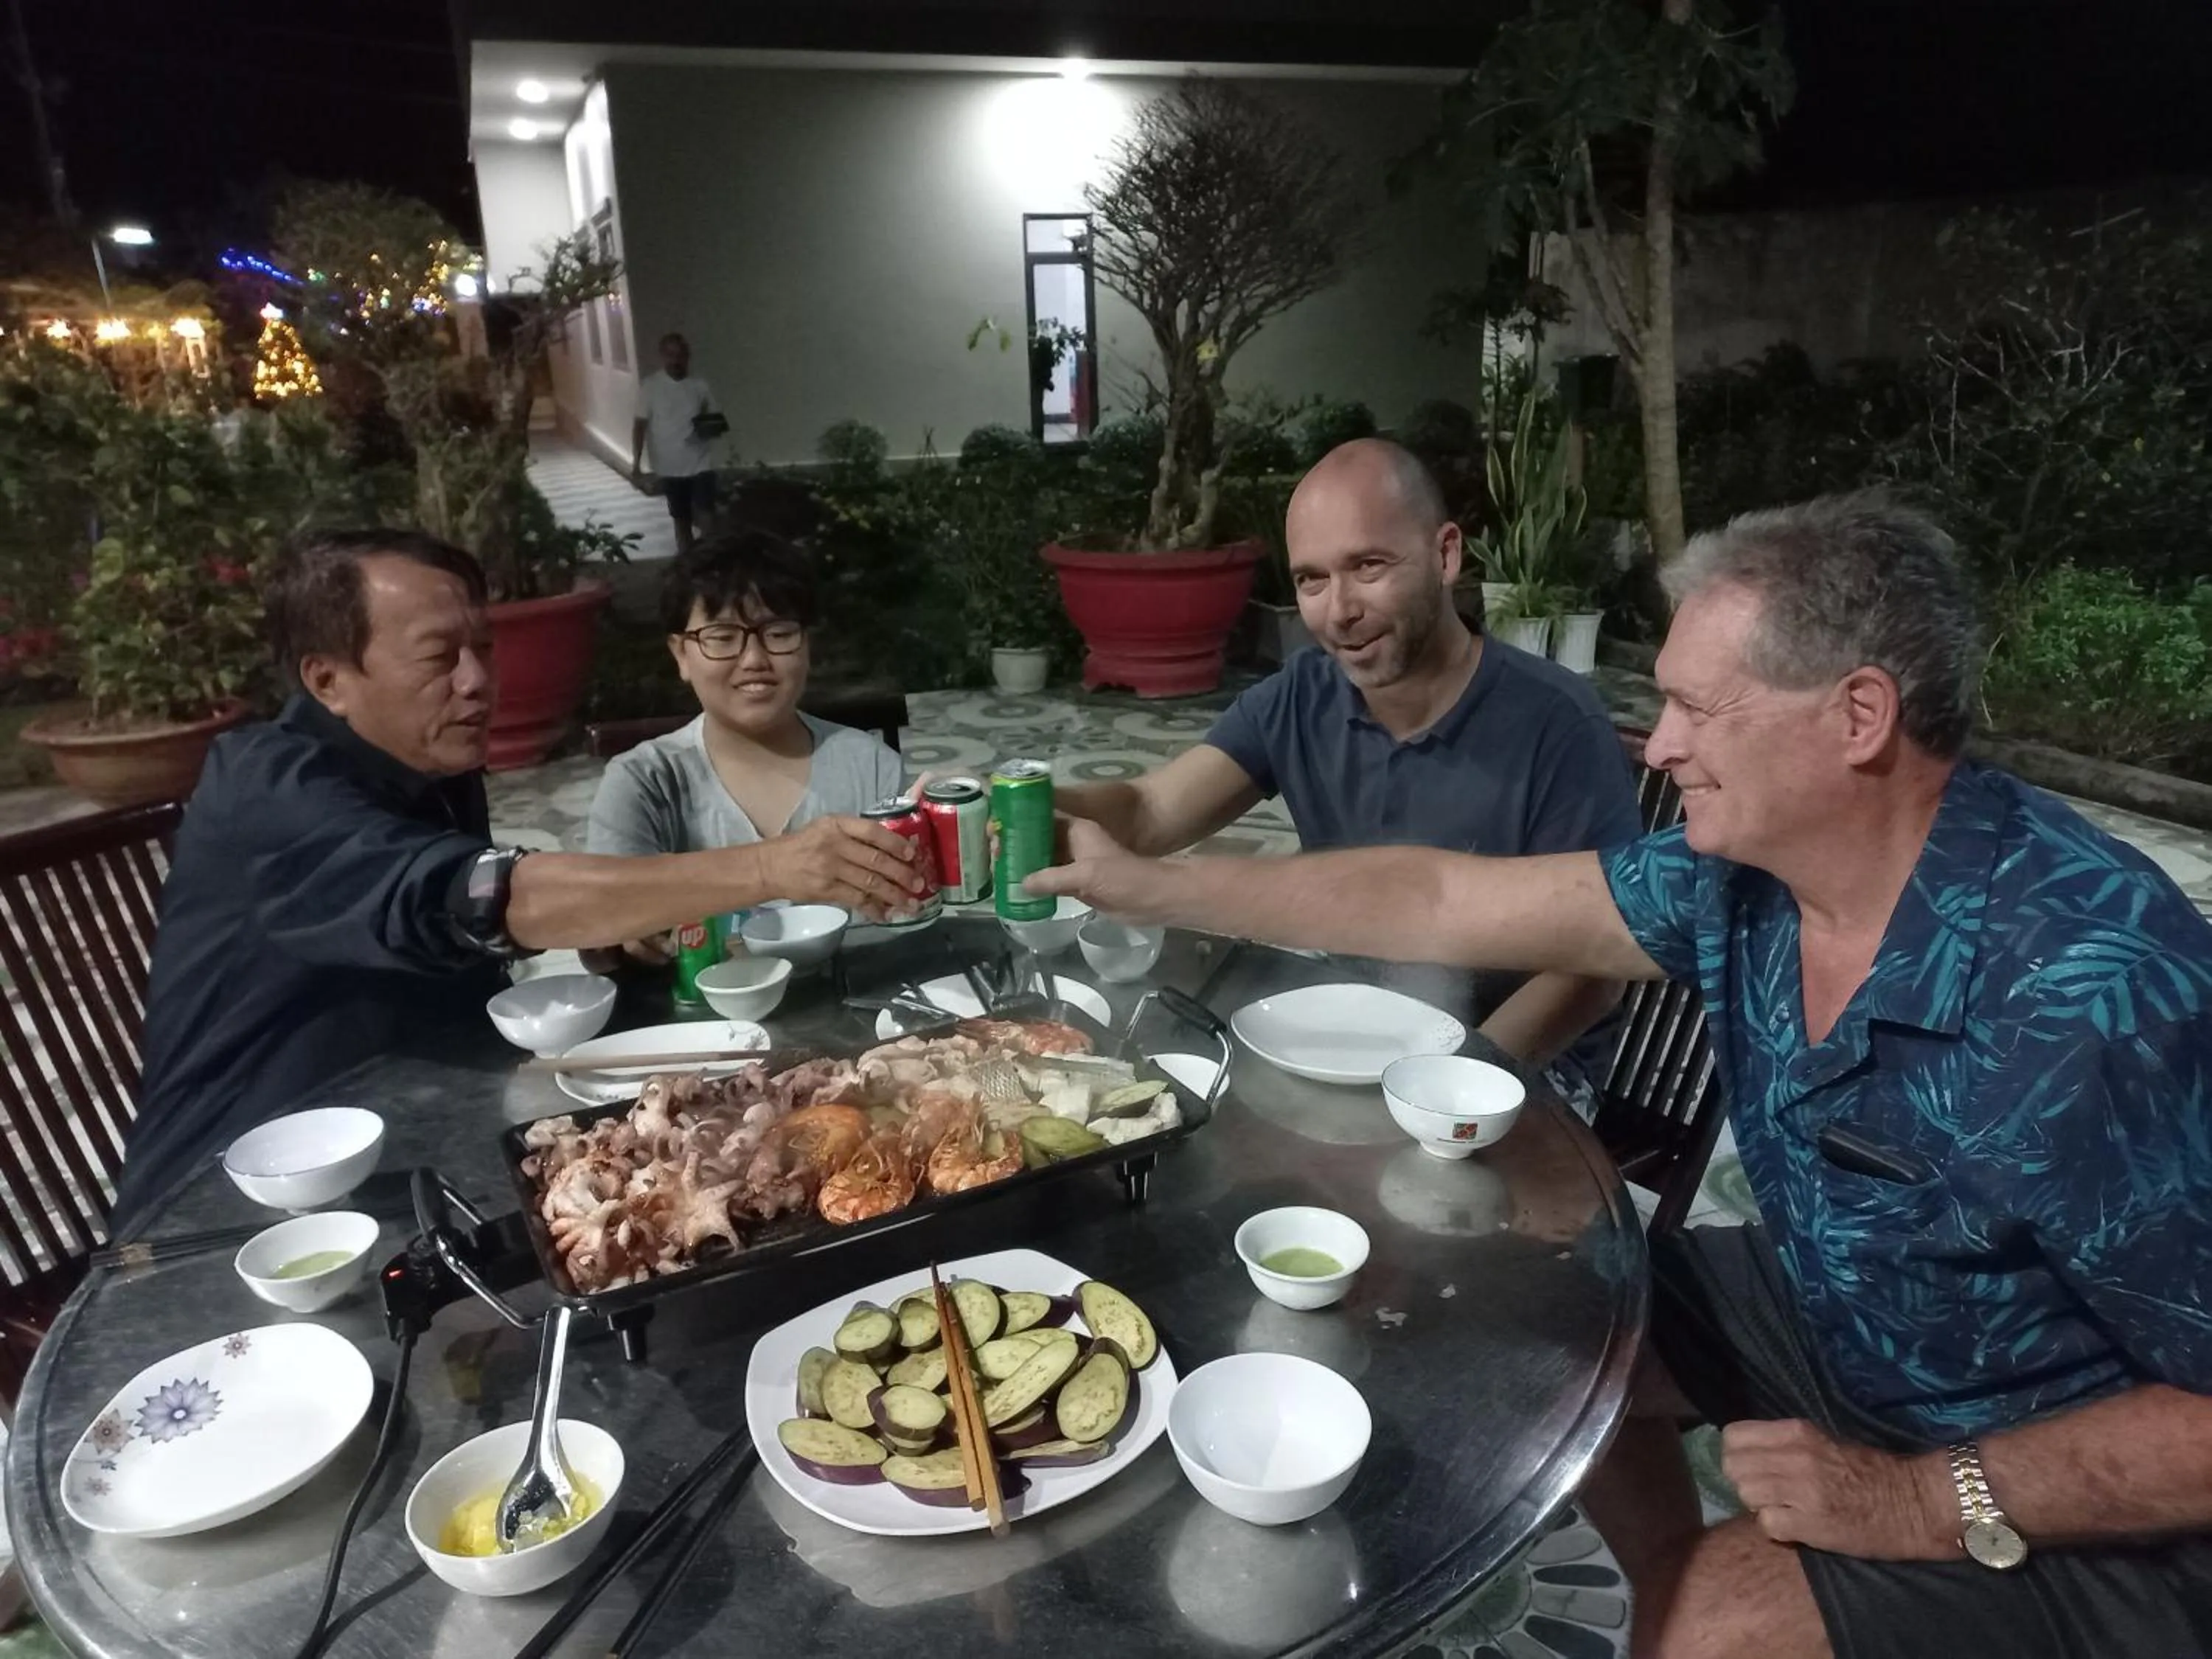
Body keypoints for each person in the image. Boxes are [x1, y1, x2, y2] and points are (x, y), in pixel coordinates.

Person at [1031, 493, 2212, 1659]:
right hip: (1860, 1308)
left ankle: (1699, 1618)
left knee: (1720, 1623)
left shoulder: (2096, 992)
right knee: (1521, 1315)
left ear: (1858, 715)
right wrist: (1150, 882)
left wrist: (1917, 1499)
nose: (1661, 745)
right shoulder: (1743, 872)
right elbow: (1438, 894)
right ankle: (1668, 1597)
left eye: (1699, 706)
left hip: (2072, 1460)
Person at [122, 531, 930, 1231]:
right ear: (328, 679)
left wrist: (625, 930)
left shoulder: (434, 766)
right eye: (439, 657)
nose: (477, 680)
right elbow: (492, 897)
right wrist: (770, 866)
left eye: (483, 649)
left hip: (419, 1147)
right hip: (239, 1198)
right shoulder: (269, 791)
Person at [1056, 436, 1640, 1082]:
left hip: (1516, 1071)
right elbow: (1149, 811)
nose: (1340, 613)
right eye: (1312, 579)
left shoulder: (1558, 724)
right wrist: (1017, 804)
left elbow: (1594, 972)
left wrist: (1453, 1081)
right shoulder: (1304, 695)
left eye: (1368, 566)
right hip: (1352, 1039)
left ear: (1446, 555)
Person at [585, 529, 907, 962]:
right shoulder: (644, 781)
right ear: (681, 655)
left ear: (806, 644)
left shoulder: (871, 767)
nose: (754, 659)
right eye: (722, 637)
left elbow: (914, 913)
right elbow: (599, 927)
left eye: (778, 633)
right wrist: (625, 931)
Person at [631, 332, 723, 552]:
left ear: (688, 357)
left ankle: (711, 561)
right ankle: (687, 563)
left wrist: (704, 430)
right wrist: (636, 464)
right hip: (670, 466)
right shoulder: (651, 386)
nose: (676, 360)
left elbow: (715, 421)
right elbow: (640, 426)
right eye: (671, 355)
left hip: (700, 463)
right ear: (663, 356)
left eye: (680, 355)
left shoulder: (699, 386)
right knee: (681, 520)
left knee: (707, 516)